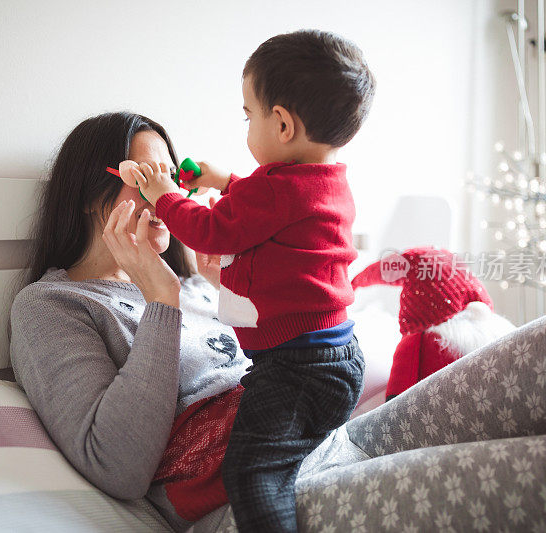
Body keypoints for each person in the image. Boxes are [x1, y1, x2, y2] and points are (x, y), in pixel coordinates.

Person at [10, 111, 546, 533]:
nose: (169, 193)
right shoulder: (55, 307)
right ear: (95, 196)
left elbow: (275, 345)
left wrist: (230, 285)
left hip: (324, 427)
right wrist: (161, 300)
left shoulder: (195, 283)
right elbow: (114, 466)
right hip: (252, 491)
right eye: (147, 178)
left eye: (172, 176)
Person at [128, 30, 374, 532]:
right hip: (336, 357)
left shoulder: (273, 191)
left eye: (249, 114)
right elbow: (274, 210)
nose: (247, 125)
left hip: (292, 367)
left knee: (253, 472)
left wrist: (165, 194)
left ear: (281, 123)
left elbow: (210, 229)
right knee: (290, 460)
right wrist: (223, 182)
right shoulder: (328, 182)